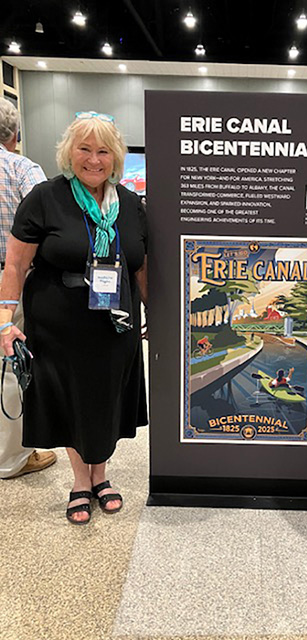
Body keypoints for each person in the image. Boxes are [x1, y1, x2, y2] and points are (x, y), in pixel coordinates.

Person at [0, 111, 148, 524]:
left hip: (115, 324)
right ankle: (82, 482)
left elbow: (140, 266)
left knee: (106, 399)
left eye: (103, 151)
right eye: (85, 149)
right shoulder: (45, 197)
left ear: (115, 157)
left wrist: (158, 316)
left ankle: (102, 476)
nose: (94, 159)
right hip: (59, 325)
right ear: (70, 152)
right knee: (70, 400)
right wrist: (4, 320)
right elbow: (15, 265)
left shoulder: (131, 205)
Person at [0, 97, 57, 479]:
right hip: (12, 280)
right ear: (15, 134)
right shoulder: (21, 169)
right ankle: (11, 459)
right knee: (11, 363)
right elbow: (50, 224)